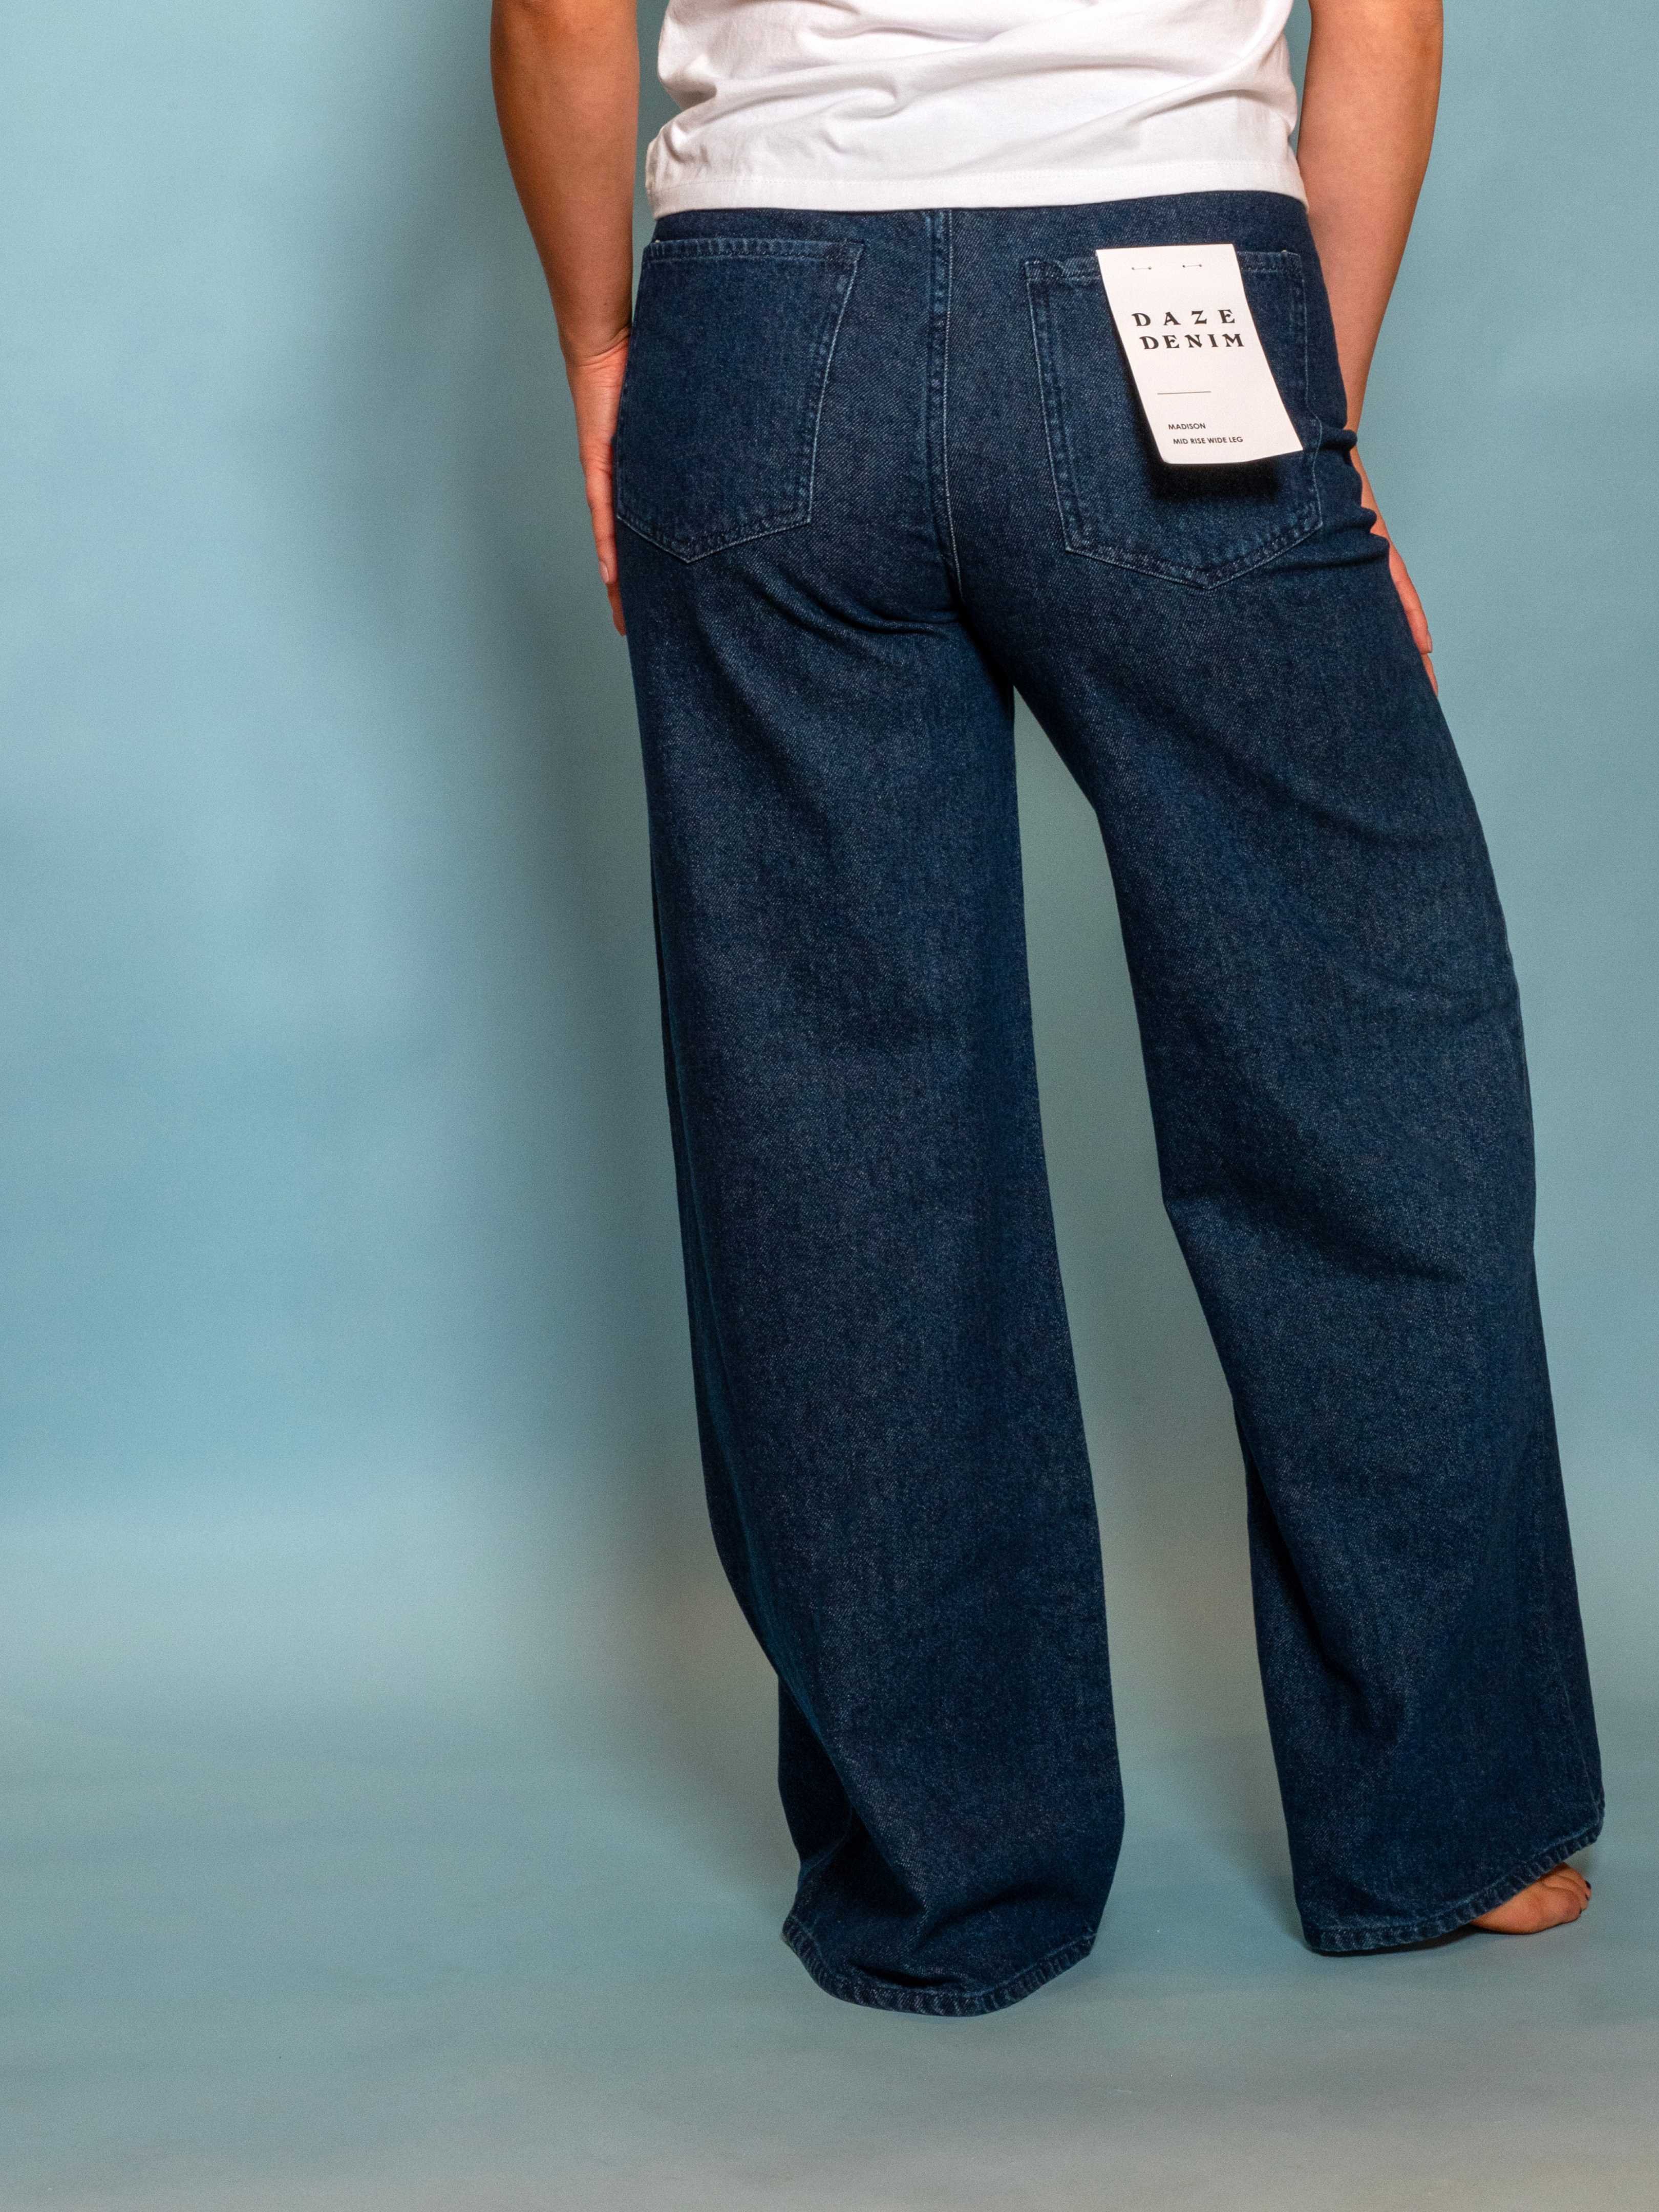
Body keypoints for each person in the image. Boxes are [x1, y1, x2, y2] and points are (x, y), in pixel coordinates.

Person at [491, 0, 1601, 2014]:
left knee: (836, 1111)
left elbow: (563, 11)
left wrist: (596, 344)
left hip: (759, 318)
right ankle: (1454, 1824)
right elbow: (1386, 15)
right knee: (1359, 1062)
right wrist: (1320, 427)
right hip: (1171, 279)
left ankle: (949, 1882)